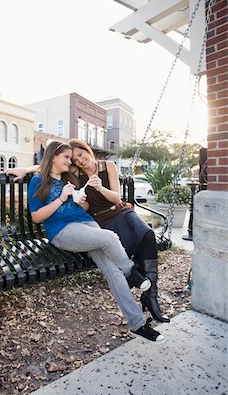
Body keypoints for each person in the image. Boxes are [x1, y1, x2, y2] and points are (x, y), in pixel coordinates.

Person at [25, 141, 165, 343]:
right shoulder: (38, 181)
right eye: (66, 157)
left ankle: (137, 324)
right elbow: (37, 217)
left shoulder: (67, 178)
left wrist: (82, 202)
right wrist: (61, 199)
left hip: (88, 224)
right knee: (109, 237)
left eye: (70, 158)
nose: (70, 161)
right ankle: (131, 272)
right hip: (63, 231)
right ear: (54, 157)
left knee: (112, 271)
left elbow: (86, 205)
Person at [68, 139, 170, 324]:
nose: (80, 161)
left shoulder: (108, 166)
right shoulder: (76, 174)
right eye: (76, 160)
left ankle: (151, 295)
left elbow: (116, 198)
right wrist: (80, 202)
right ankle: (145, 291)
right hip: (101, 221)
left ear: (87, 150)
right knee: (126, 244)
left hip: (121, 211)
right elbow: (54, 163)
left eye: (81, 155)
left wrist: (100, 187)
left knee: (146, 234)